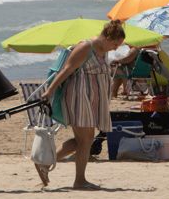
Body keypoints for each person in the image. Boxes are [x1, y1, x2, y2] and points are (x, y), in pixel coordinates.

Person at [39, 20, 124, 189]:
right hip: (79, 97)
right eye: (115, 44)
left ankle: (45, 164)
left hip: (92, 100)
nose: (115, 48)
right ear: (107, 37)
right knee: (85, 140)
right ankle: (79, 181)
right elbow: (67, 70)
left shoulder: (103, 50)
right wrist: (49, 92)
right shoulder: (86, 47)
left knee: (84, 141)